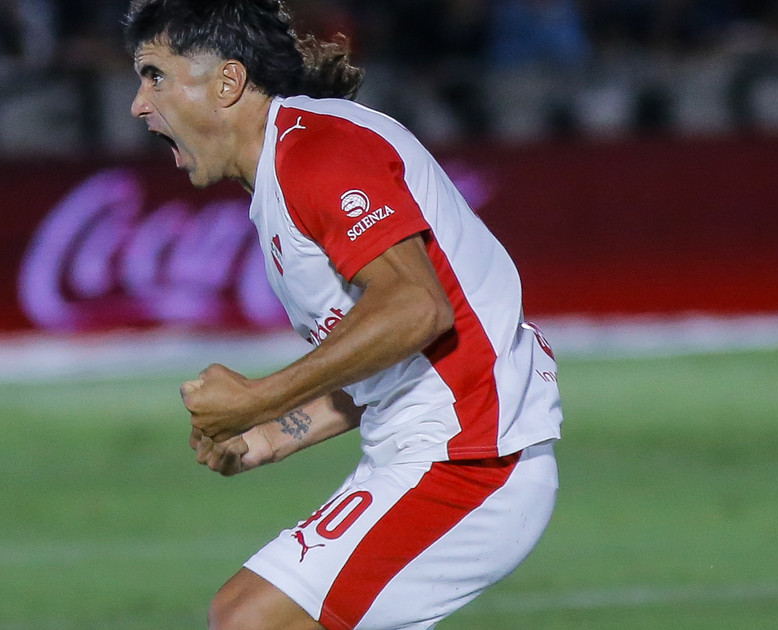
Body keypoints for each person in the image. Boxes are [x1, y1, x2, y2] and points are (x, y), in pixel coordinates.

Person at [124, 1, 564, 628]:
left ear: (227, 82)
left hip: (471, 462)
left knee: (250, 618)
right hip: (428, 453)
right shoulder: (284, 171)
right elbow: (388, 356)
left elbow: (416, 308)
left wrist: (259, 398)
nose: (138, 104)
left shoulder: (317, 150)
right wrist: (272, 434)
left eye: (155, 76)